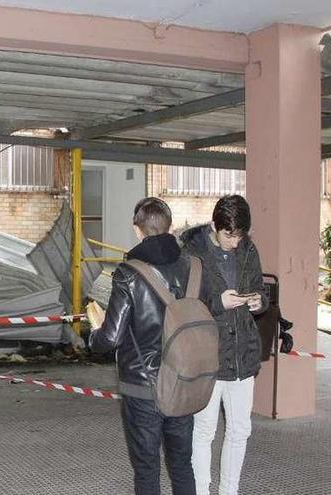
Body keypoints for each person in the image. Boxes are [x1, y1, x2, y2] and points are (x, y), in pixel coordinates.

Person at [89, 197, 197, 495]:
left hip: (142, 387)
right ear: (169, 226)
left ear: (138, 230)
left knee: (147, 469)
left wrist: (93, 333)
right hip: (183, 381)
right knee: (182, 465)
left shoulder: (128, 273)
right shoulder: (193, 267)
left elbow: (110, 337)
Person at [180, 194, 267, 495]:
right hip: (208, 355)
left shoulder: (248, 249)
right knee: (204, 431)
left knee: (240, 430)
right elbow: (184, 304)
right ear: (215, 227)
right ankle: (201, 491)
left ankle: (230, 491)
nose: (235, 241)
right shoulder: (193, 254)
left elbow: (260, 287)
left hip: (243, 353)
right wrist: (218, 302)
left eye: (240, 235)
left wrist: (259, 300)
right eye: (229, 235)